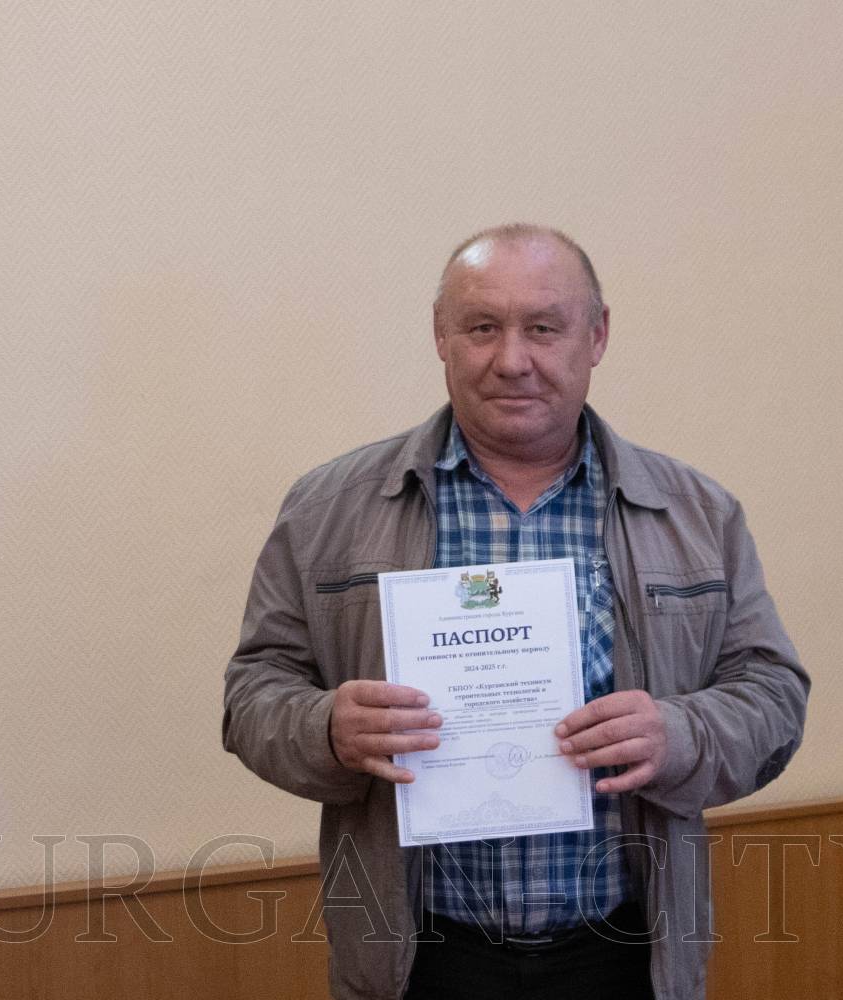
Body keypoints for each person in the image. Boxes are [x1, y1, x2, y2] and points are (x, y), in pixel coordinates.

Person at [222, 224, 810, 1000]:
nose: (512, 360)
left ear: (596, 336)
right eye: (481, 328)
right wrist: (326, 727)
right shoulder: (328, 508)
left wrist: (679, 734)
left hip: (626, 956)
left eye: (542, 328)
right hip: (419, 960)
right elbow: (252, 695)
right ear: (440, 336)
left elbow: (774, 696)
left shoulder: (697, 514)